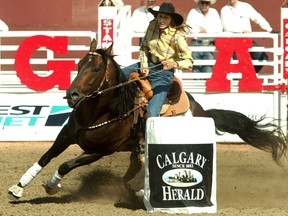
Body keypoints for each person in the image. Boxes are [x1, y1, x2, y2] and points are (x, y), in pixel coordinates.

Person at [122, 2, 193, 137]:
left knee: (151, 114)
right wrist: (143, 64)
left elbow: (189, 61)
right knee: (118, 76)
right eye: (160, 16)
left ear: (171, 19)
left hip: (163, 74)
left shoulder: (177, 36)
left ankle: (144, 146)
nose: (161, 20)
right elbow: (144, 47)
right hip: (147, 65)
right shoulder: (152, 26)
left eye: (165, 18)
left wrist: (174, 64)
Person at [220, 0, 278, 73]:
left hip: (247, 40)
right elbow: (226, 27)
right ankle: (243, 79)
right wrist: (242, 30)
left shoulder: (245, 6)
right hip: (233, 44)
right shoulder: (224, 10)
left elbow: (257, 18)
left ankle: (249, 75)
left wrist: (270, 29)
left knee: (262, 57)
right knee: (238, 67)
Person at [186, 0, 222, 73]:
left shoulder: (214, 12)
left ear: (209, 4)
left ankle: (206, 83)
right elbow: (188, 27)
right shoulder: (193, 12)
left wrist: (206, 31)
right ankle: (197, 83)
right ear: (199, 3)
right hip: (196, 43)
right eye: (202, 2)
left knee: (208, 68)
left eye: (207, 3)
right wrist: (199, 31)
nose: (204, 5)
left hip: (209, 43)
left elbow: (219, 28)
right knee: (196, 68)